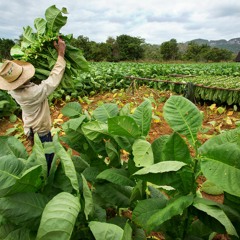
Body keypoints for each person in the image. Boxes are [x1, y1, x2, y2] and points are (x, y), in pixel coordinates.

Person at [0, 36, 66, 173]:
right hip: (40, 131)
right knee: (47, 160)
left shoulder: (13, 90)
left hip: (30, 128)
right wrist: (60, 54)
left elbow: (28, 83)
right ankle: (47, 179)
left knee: (38, 154)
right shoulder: (32, 93)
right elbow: (53, 80)